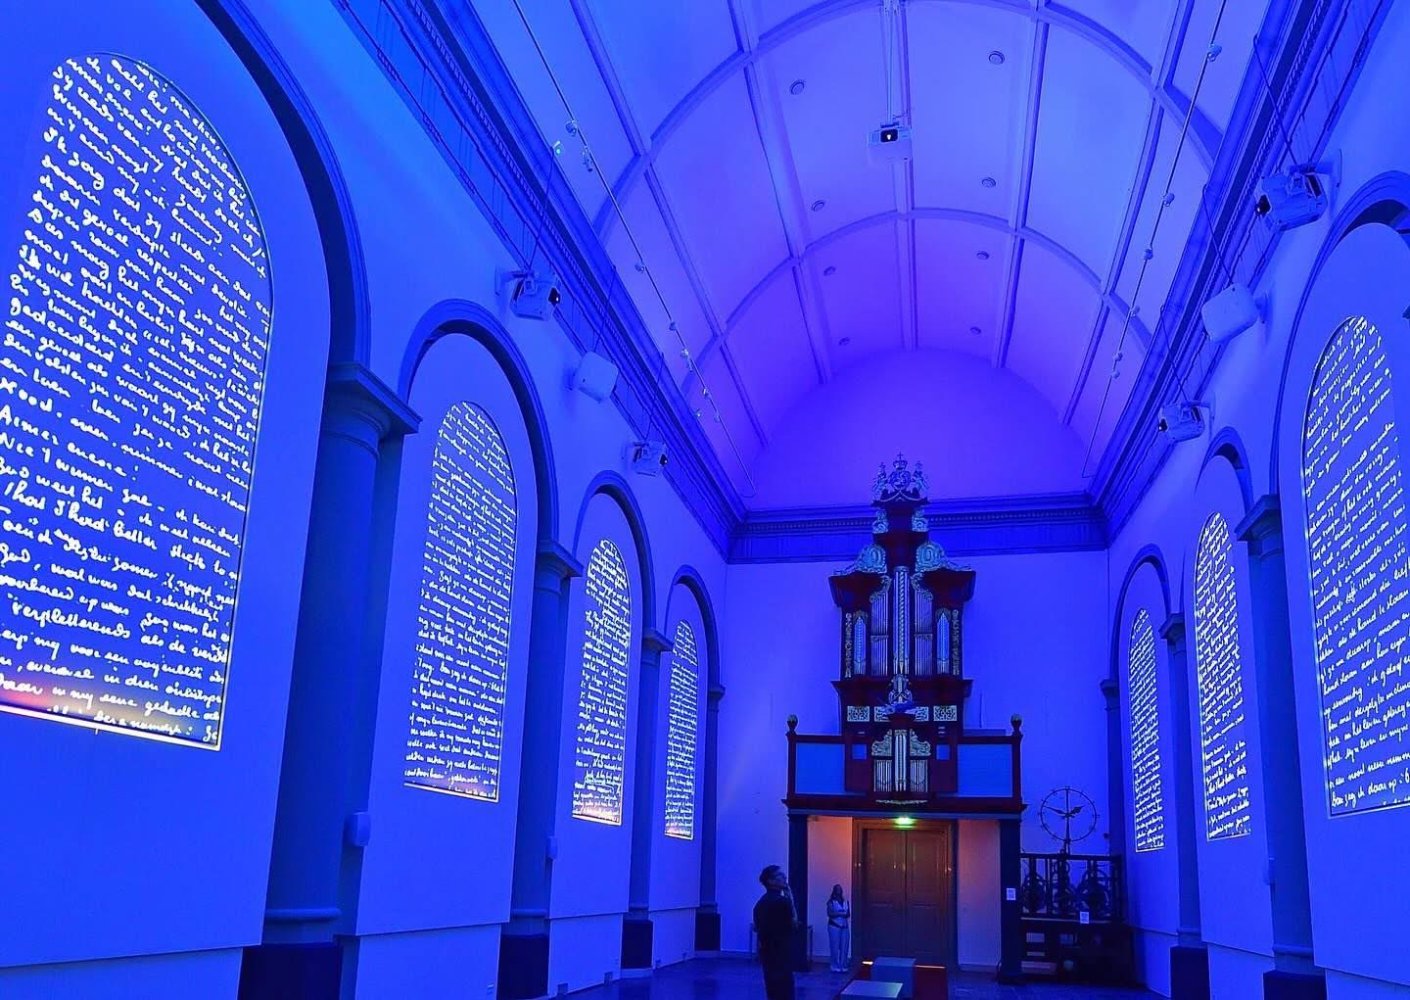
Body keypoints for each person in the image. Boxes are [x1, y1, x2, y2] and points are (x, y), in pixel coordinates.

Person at [753, 864, 796, 1000]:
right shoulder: (782, 902)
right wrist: (790, 897)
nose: (784, 877)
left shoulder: (760, 903)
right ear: (771, 881)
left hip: (768, 955)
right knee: (785, 992)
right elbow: (793, 922)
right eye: (780, 875)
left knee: (772, 991)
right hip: (781, 954)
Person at [826, 883, 851, 973]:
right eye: (837, 889)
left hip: (844, 926)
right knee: (835, 946)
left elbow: (848, 914)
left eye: (840, 889)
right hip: (834, 926)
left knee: (844, 946)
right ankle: (834, 965)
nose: (839, 891)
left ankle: (843, 965)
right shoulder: (831, 902)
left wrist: (843, 913)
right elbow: (830, 913)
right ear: (834, 891)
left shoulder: (845, 902)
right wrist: (840, 913)